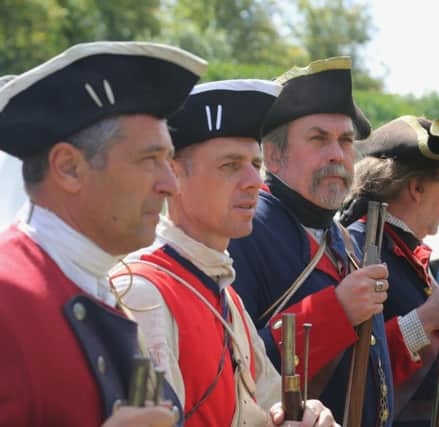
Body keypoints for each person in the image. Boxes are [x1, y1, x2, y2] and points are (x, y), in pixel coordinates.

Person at [0, 41, 207, 426]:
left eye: (168, 159)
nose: (170, 185)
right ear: (69, 168)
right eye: (149, 159)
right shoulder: (8, 294)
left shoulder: (95, 283)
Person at [110, 79, 337, 427]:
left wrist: (309, 415)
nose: (253, 181)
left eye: (255, 163)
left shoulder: (224, 295)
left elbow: (269, 404)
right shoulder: (143, 294)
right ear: (174, 175)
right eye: (230, 165)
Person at [228, 57, 394, 426]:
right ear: (273, 155)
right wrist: (336, 311)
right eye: (319, 139)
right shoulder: (245, 232)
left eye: (346, 141)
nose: (337, 153)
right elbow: (234, 367)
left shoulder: (343, 242)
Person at [340, 115, 439, 426]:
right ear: (417, 187)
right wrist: (427, 318)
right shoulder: (358, 247)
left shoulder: (401, 250)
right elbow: (351, 368)